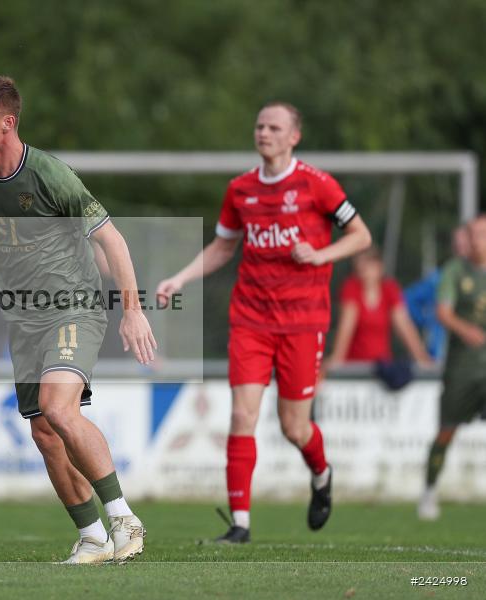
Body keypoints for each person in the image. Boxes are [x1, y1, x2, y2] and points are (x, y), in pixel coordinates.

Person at [0, 76, 156, 564]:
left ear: (8, 123)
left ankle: (124, 518)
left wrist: (133, 309)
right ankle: (92, 537)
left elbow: (112, 240)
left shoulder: (50, 175)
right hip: (22, 317)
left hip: (74, 306)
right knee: (44, 431)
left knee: (59, 409)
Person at [156, 102, 372, 543]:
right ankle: (240, 524)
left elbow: (361, 236)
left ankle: (321, 473)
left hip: (303, 321)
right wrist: (180, 278)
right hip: (251, 319)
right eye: (259, 126)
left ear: (294, 136)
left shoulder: (318, 185)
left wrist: (320, 255)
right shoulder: (240, 190)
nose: (264, 133)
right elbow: (222, 247)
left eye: (274, 127)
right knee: (241, 415)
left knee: (295, 426)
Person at [418, 215, 486, 520]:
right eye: (472, 234)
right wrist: (466, 330)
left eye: (481, 234)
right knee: (447, 430)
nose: (475, 240)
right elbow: (443, 312)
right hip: (463, 368)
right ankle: (429, 491)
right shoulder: (456, 271)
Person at [326, 246, 433, 369]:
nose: (364, 270)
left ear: (379, 267)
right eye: (360, 266)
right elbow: (346, 326)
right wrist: (337, 358)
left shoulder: (389, 289)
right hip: (354, 364)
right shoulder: (351, 288)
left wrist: (421, 357)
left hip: (382, 364)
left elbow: (404, 326)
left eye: (368, 265)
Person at [404, 226, 472, 361]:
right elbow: (404, 301)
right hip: (443, 357)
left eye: (464, 245)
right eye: (457, 246)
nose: (460, 250)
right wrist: (428, 318)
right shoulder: (439, 278)